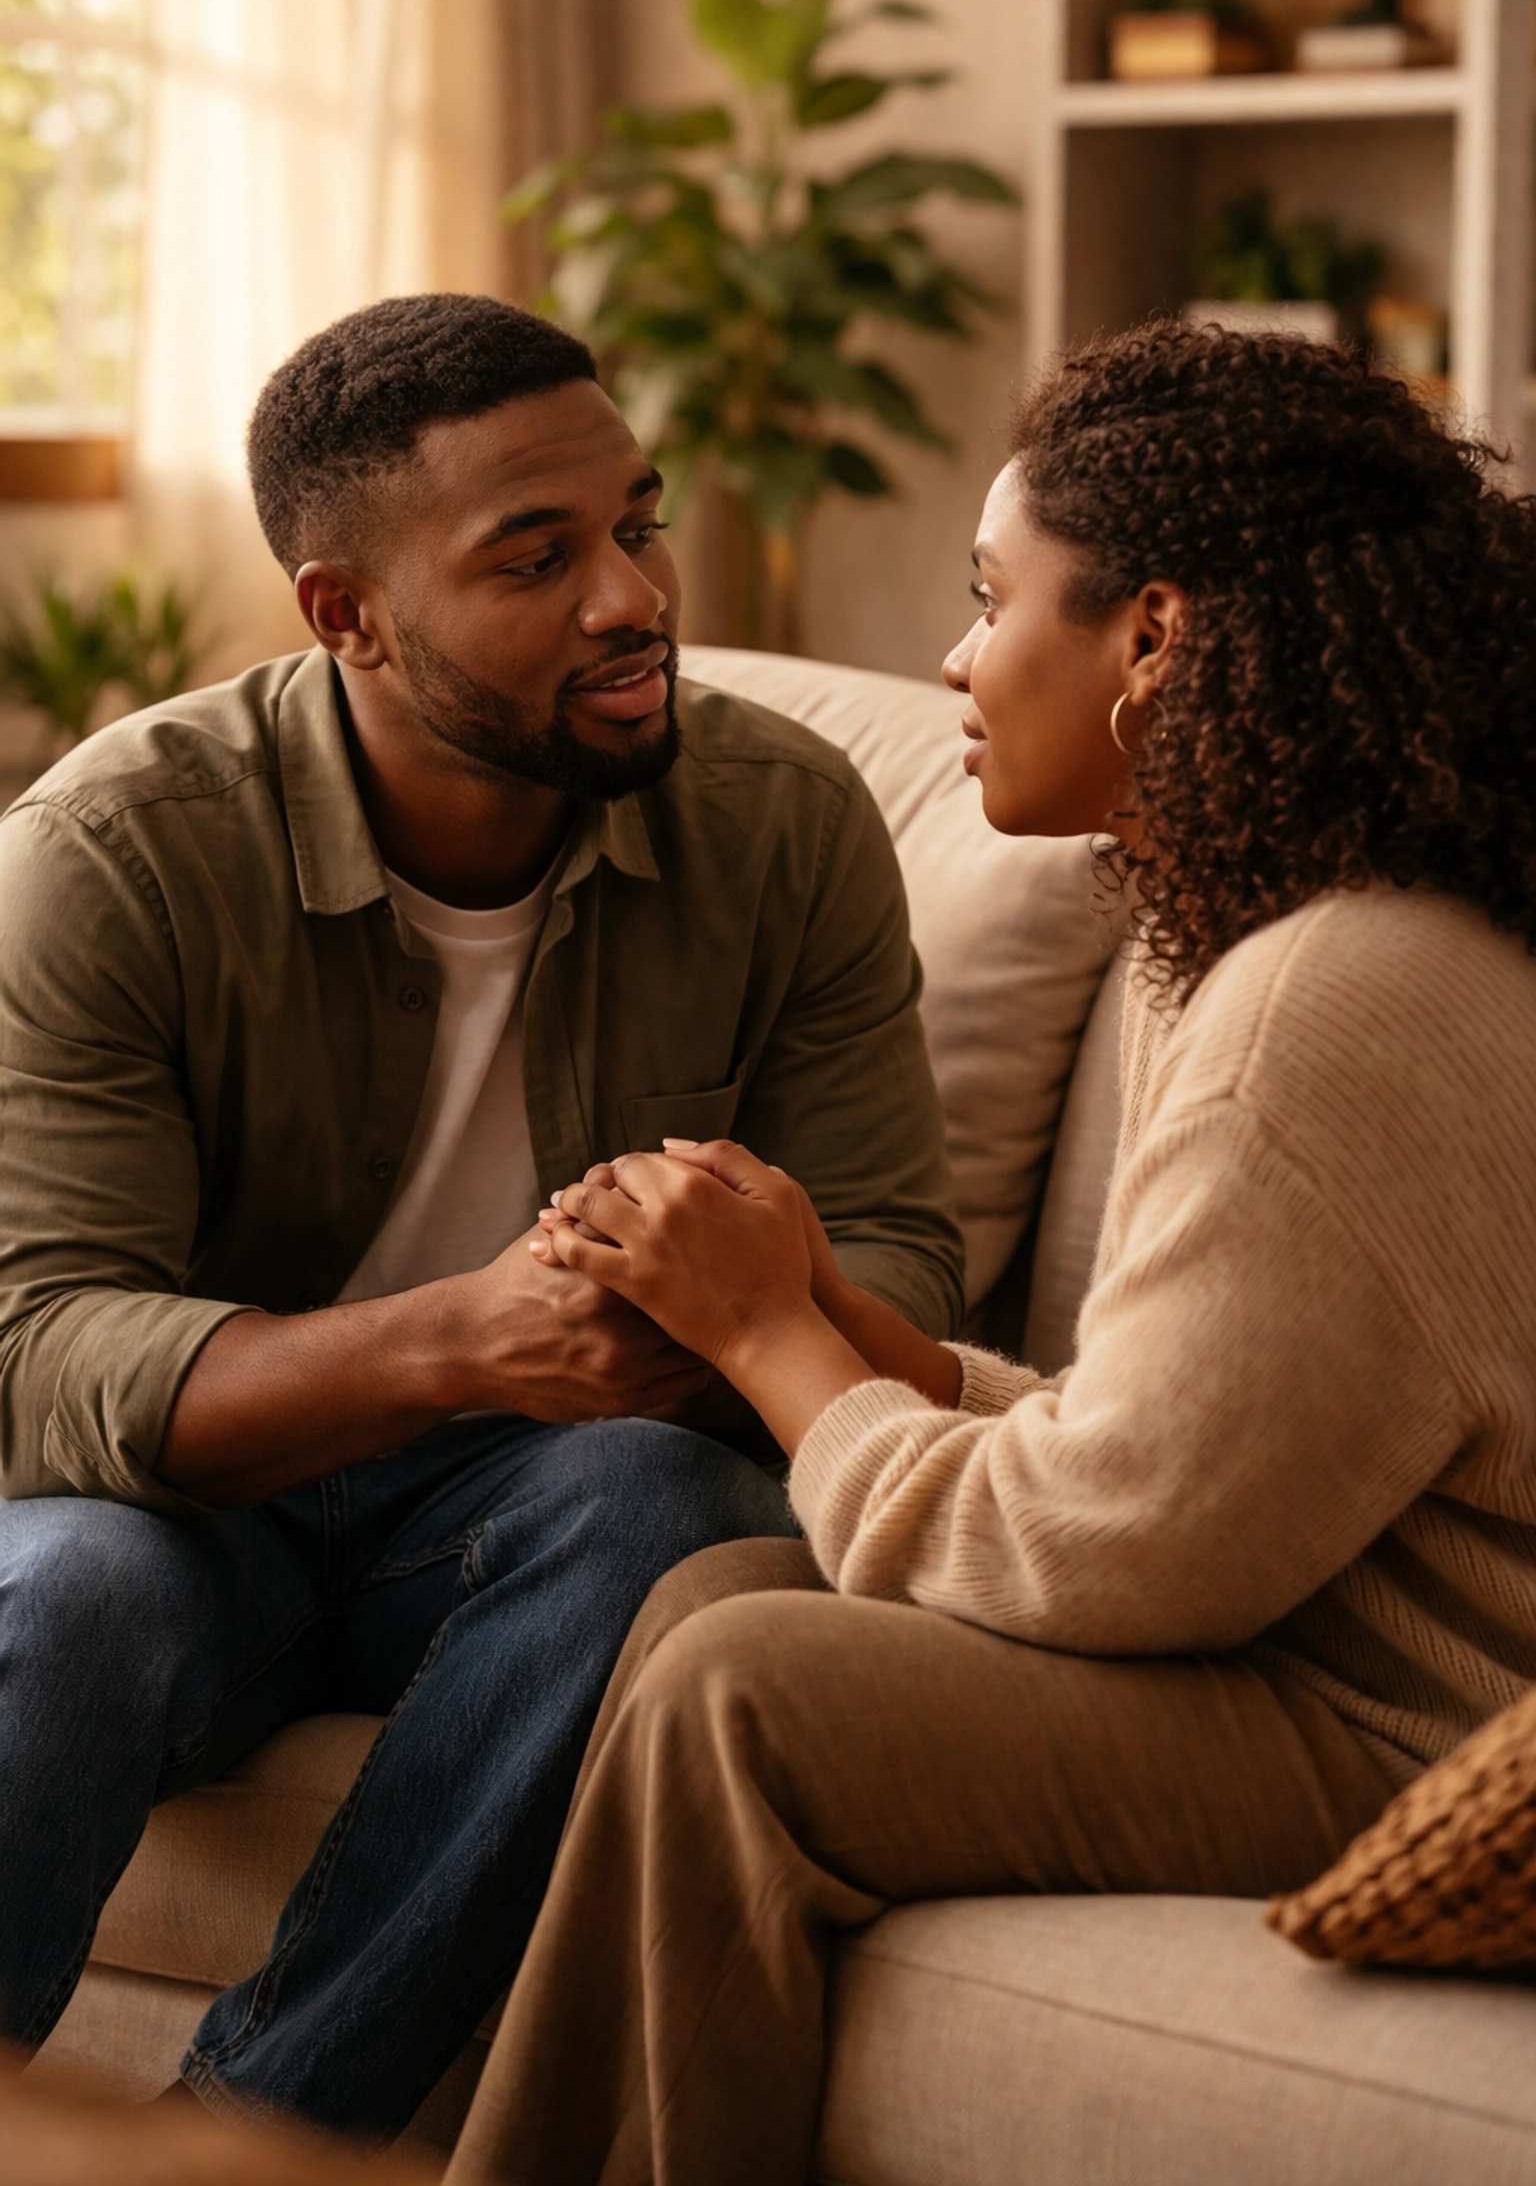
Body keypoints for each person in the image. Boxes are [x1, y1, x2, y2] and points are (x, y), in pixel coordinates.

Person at [444, 321, 1536, 2186]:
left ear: (1155, 638)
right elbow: (1188, 1446)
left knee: (741, 1693)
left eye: (988, 597)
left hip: (1425, 1730)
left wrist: (772, 1341)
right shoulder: (1292, 933)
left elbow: (1110, 1550)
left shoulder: (1327, 1003)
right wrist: (846, 1321)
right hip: (1329, 1649)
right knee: (714, 1600)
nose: (954, 659)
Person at [0, 294, 965, 2141]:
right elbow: (35, 1356)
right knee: (69, 1593)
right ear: (346, 614)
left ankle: (249, 2151)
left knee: (667, 1505)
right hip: (186, 1512)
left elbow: (906, 1271)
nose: (635, 599)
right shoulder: (111, 852)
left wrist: (730, 1307)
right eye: (539, 559)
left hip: (535, 1511)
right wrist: (461, 1339)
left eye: (638, 524)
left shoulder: (785, 824)